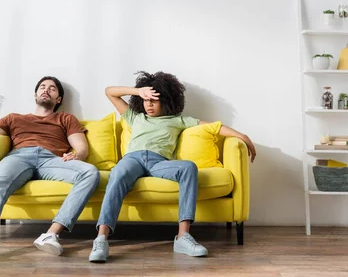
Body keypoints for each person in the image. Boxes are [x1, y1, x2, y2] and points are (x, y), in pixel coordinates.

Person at [89, 71, 256, 262]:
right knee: (118, 173)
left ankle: (183, 237)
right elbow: (110, 92)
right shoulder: (135, 117)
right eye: (146, 100)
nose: (149, 104)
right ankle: (101, 238)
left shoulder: (178, 120)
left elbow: (215, 127)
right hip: (132, 159)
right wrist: (138, 91)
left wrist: (243, 137)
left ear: (167, 101)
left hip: (159, 162)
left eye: (155, 100)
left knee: (188, 167)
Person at [0, 76, 100, 262]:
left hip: (51, 159)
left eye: (52, 89)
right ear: (35, 95)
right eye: (42, 87)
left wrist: (77, 155)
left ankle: (51, 234)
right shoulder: (13, 118)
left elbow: (82, 148)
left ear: (58, 99)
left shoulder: (65, 118)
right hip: (19, 156)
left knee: (90, 172)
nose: (46, 90)